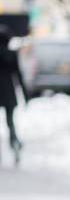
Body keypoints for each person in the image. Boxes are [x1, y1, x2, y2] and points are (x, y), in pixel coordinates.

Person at [0, 25, 27, 153]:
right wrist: (26, 95)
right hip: (9, 92)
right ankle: (14, 141)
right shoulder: (11, 55)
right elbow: (18, 75)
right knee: (10, 121)